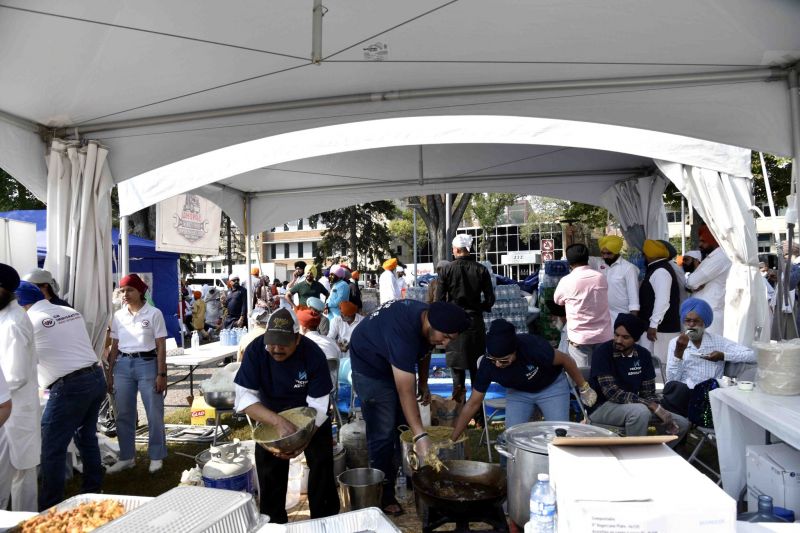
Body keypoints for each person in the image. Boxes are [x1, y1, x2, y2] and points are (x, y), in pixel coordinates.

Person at [349, 299, 470, 516]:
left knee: (402, 428)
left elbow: (425, 350)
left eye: (452, 339)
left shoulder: (429, 323)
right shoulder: (403, 333)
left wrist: (423, 382)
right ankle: (381, 496)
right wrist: (421, 435)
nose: (447, 343)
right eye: (446, 337)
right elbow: (405, 390)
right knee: (384, 432)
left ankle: (398, 478)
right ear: (430, 323)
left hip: (390, 354)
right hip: (370, 365)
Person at [234, 308, 339, 523]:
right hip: (270, 413)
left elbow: (319, 405)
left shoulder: (313, 354)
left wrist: (303, 439)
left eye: (283, 343)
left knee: (321, 466)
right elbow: (244, 399)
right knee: (269, 472)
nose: (275, 348)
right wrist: (277, 421)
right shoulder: (256, 350)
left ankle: (325, 520)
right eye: (271, 342)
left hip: (310, 416)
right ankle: (274, 523)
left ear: (297, 339)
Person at [18, 281, 106, 510]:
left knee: (52, 448)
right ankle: (93, 491)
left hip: (69, 386)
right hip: (95, 376)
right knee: (87, 438)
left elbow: (21, 361)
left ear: (22, 304)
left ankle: (51, 507)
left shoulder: (28, 320)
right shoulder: (69, 311)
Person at [451, 319, 597, 441]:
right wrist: (453, 438)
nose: (497, 364)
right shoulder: (487, 365)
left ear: (515, 351)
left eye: (504, 360)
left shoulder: (533, 346)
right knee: (512, 437)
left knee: (558, 434)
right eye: (493, 359)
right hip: (518, 392)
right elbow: (473, 403)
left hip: (551, 387)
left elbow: (566, 360)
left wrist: (583, 386)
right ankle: (510, 471)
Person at [588, 313, 689, 446]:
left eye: (625, 337)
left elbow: (649, 392)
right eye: (616, 335)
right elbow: (612, 393)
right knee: (639, 412)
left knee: (682, 423)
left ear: (635, 339)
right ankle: (634, 458)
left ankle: (655, 456)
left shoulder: (643, 355)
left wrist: (658, 408)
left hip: (637, 406)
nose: (618, 340)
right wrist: (650, 405)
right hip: (603, 407)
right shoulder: (602, 352)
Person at [107, 274, 168, 474]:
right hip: (123, 365)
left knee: (154, 412)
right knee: (123, 413)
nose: (125, 294)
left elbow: (161, 345)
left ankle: (157, 455)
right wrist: (110, 372)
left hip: (147, 364)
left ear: (140, 291)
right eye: (122, 291)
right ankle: (127, 456)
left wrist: (162, 374)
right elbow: (114, 345)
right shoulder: (118, 315)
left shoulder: (153, 313)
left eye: (129, 290)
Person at [662, 298, 755, 416]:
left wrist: (723, 356)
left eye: (696, 321)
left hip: (709, 396)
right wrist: (678, 352)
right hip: (684, 395)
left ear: (704, 323)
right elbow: (672, 380)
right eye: (687, 321)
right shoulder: (676, 342)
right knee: (675, 389)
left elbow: (752, 355)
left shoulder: (718, 341)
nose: (691, 325)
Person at [435, 234, 495, 405]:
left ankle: (458, 411)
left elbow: (438, 301)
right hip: (475, 322)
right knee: (477, 371)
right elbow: (490, 299)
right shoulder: (481, 269)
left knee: (457, 372)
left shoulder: (446, 270)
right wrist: (478, 307)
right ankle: (478, 414)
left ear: (456, 250)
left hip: (454, 324)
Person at [0, 265, 39, 512]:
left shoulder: (13, 322)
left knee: (19, 477)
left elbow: (15, 375)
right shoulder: (6, 317)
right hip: (9, 408)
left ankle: (24, 524)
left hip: (14, 411)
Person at [553, 243, 613, 367]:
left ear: (569, 263)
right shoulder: (600, 277)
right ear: (587, 259)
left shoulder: (567, 281)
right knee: (603, 374)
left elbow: (557, 301)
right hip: (603, 335)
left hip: (580, 338)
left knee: (583, 378)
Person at [639, 239, 682, 369]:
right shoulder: (657, 268)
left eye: (644, 254)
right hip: (658, 328)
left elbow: (662, 301)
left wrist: (654, 325)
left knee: (660, 366)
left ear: (649, 256)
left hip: (661, 330)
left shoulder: (660, 271)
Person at [685, 225, 731, 336]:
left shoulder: (721, 257)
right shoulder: (712, 256)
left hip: (710, 315)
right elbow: (692, 282)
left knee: (707, 350)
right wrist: (694, 283)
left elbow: (691, 282)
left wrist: (694, 283)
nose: (700, 244)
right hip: (701, 313)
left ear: (713, 240)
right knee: (695, 348)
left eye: (703, 241)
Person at [595, 235, 639, 323]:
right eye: (603, 253)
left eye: (609, 253)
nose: (605, 256)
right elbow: (579, 259)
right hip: (603, 316)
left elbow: (633, 296)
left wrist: (632, 320)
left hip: (622, 316)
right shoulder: (598, 263)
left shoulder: (629, 268)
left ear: (617, 252)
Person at [297, 306, 340, 388]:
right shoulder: (331, 342)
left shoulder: (301, 345)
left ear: (303, 327)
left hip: (309, 390)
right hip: (330, 387)